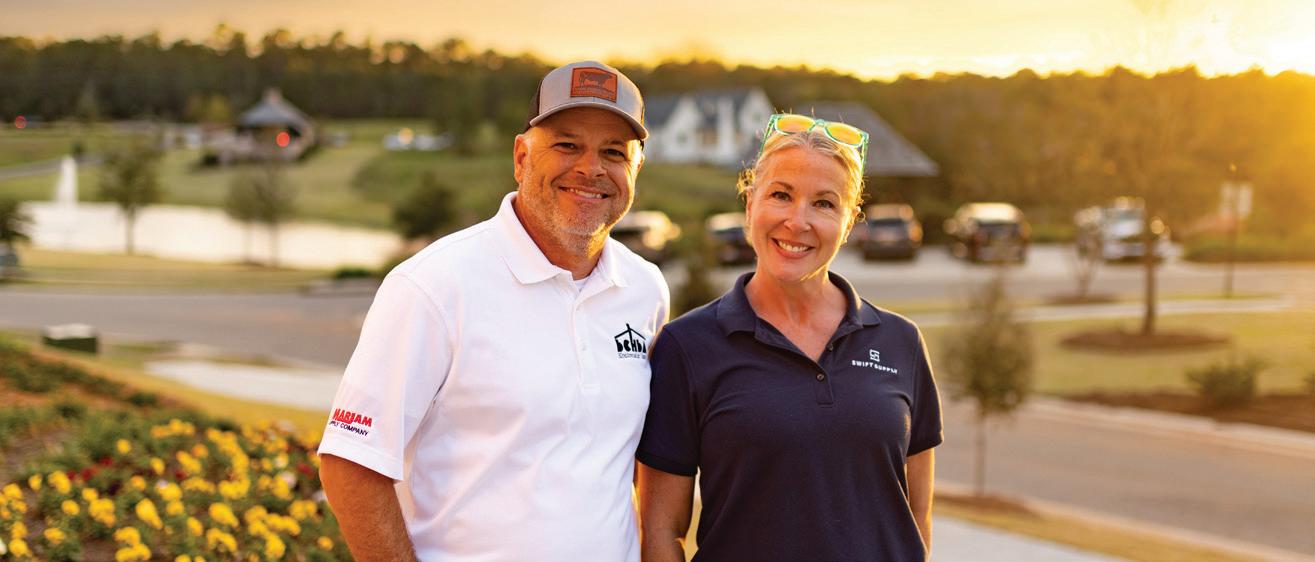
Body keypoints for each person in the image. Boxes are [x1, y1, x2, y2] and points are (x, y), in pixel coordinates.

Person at [317, 60, 669, 562]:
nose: (591, 168)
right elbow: (351, 464)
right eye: (567, 145)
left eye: (614, 152)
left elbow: (631, 460)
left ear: (636, 169)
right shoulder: (432, 285)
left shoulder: (645, 289)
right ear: (522, 157)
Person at [636, 114, 942, 561]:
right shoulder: (687, 347)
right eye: (781, 195)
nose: (797, 221)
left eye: (824, 203)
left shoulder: (902, 343)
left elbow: (917, 518)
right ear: (750, 205)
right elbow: (661, 530)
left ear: (849, 222)